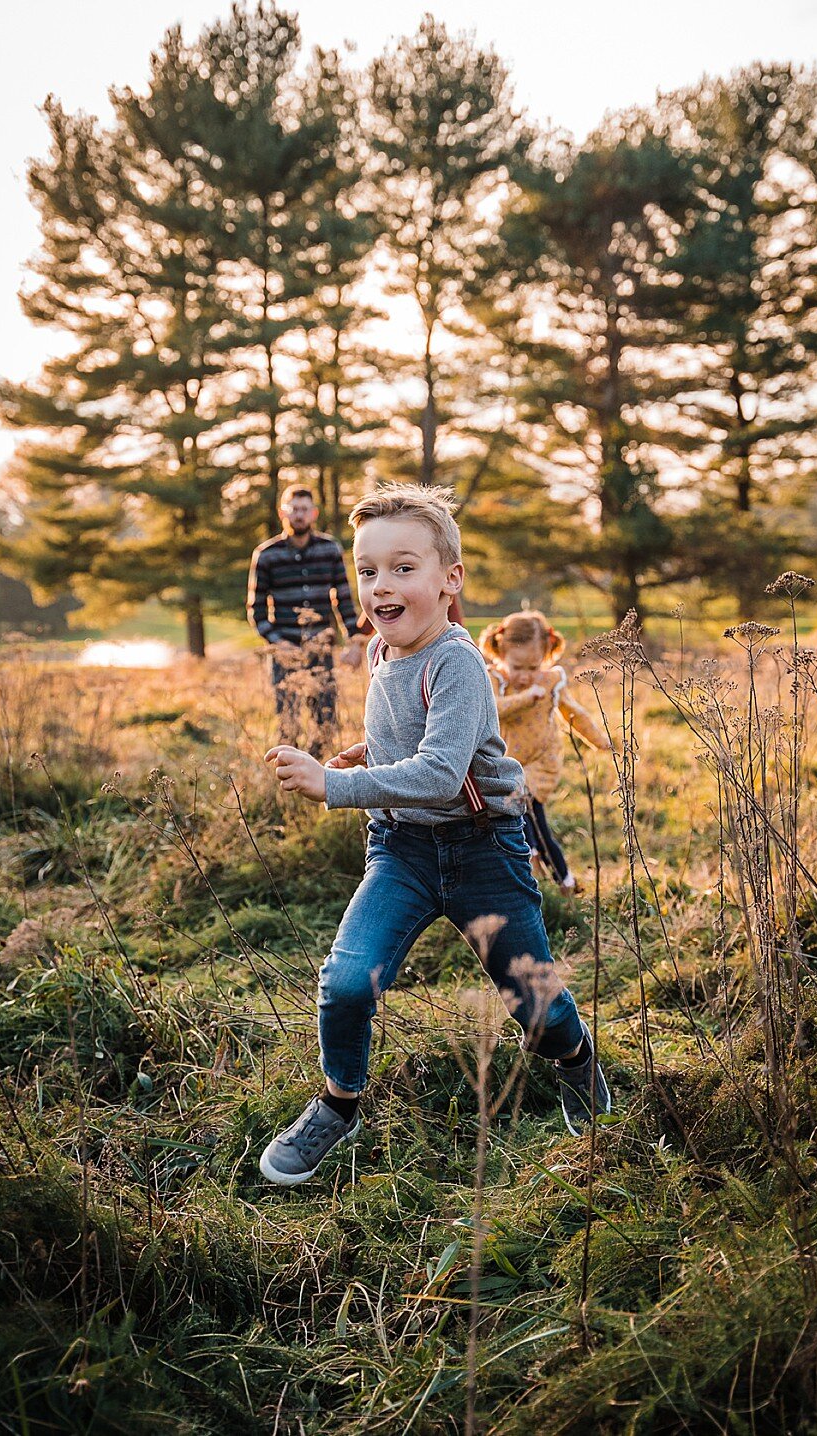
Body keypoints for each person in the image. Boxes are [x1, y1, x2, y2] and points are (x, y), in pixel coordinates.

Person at [259, 483, 612, 1185]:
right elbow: (407, 735)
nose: (380, 587)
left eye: (403, 568)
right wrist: (368, 751)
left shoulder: (459, 662)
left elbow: (444, 774)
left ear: (450, 580)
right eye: (367, 571)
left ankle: (575, 1061)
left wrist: (335, 787)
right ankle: (338, 1103)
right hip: (402, 852)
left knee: (533, 1002)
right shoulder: (385, 653)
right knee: (347, 982)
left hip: (484, 850)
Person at [479, 611, 610, 890]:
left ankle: (535, 863)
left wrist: (601, 740)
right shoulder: (495, 681)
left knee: (524, 812)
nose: (526, 676)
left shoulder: (550, 682)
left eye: (533, 667)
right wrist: (525, 698)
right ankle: (563, 880)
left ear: (546, 656)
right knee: (533, 822)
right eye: (518, 667)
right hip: (507, 764)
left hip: (541, 762)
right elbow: (491, 711)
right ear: (501, 652)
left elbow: (573, 713)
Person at [247, 485, 366, 757]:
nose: (299, 515)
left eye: (304, 510)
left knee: (325, 721)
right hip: (285, 653)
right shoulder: (266, 555)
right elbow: (255, 610)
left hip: (321, 649)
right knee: (288, 724)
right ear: (283, 513)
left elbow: (345, 600)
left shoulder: (330, 550)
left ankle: (318, 779)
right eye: (294, 509)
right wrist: (278, 643)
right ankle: (288, 783)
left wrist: (355, 642)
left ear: (313, 514)